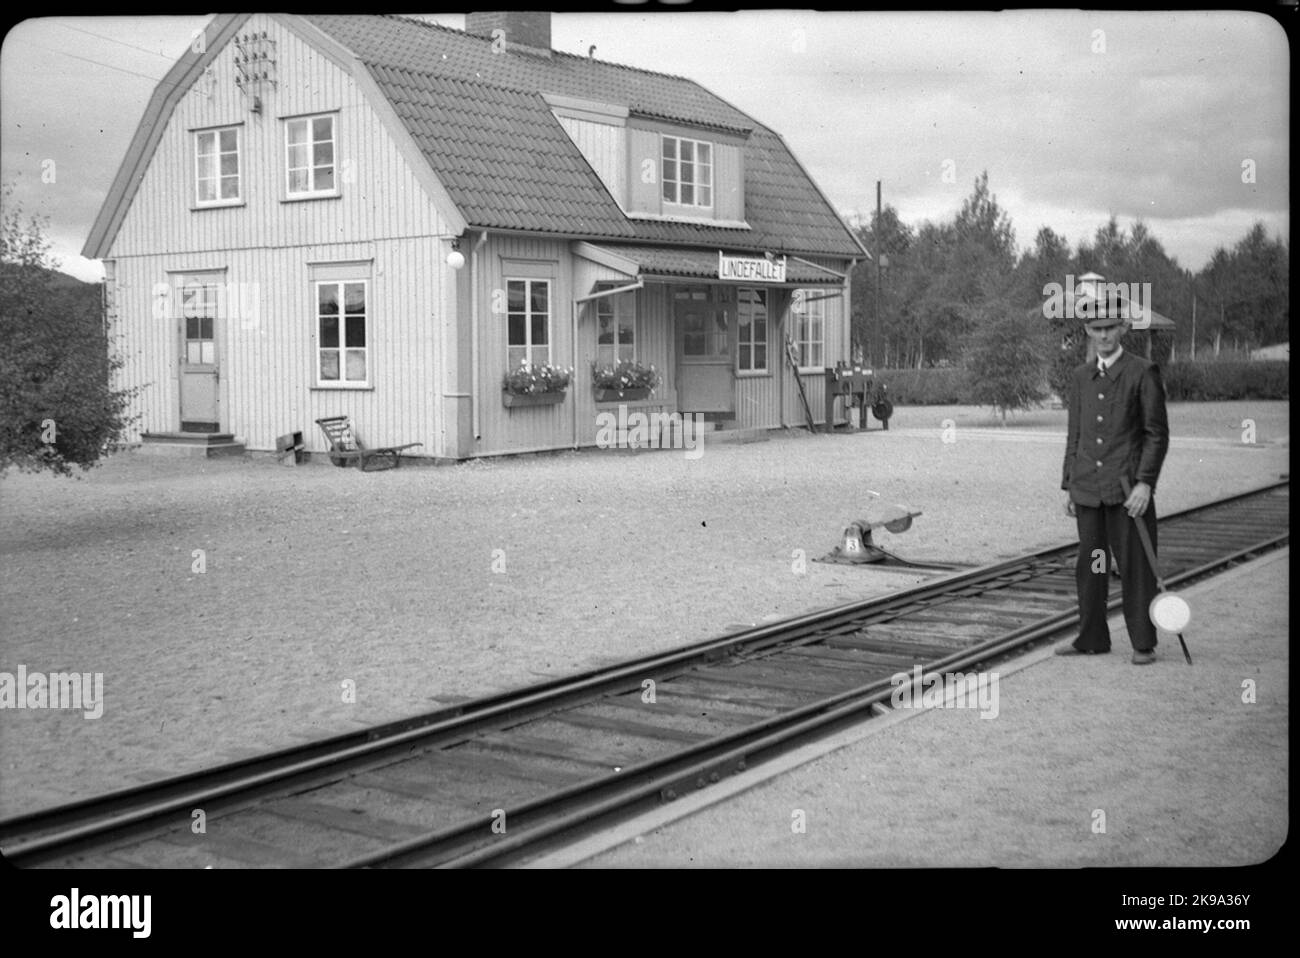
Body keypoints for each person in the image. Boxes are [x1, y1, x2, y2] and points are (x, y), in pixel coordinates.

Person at [1056, 304, 1169, 664]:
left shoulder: (1142, 372)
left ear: (1122, 328)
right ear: (1088, 331)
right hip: (1088, 488)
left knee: (1134, 566)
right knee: (1092, 564)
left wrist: (1145, 484)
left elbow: (1156, 434)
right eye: (1095, 328)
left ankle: (1142, 643)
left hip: (1127, 491)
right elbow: (1075, 434)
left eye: (1110, 328)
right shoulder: (1080, 376)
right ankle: (1091, 638)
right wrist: (1070, 484)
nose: (1103, 335)